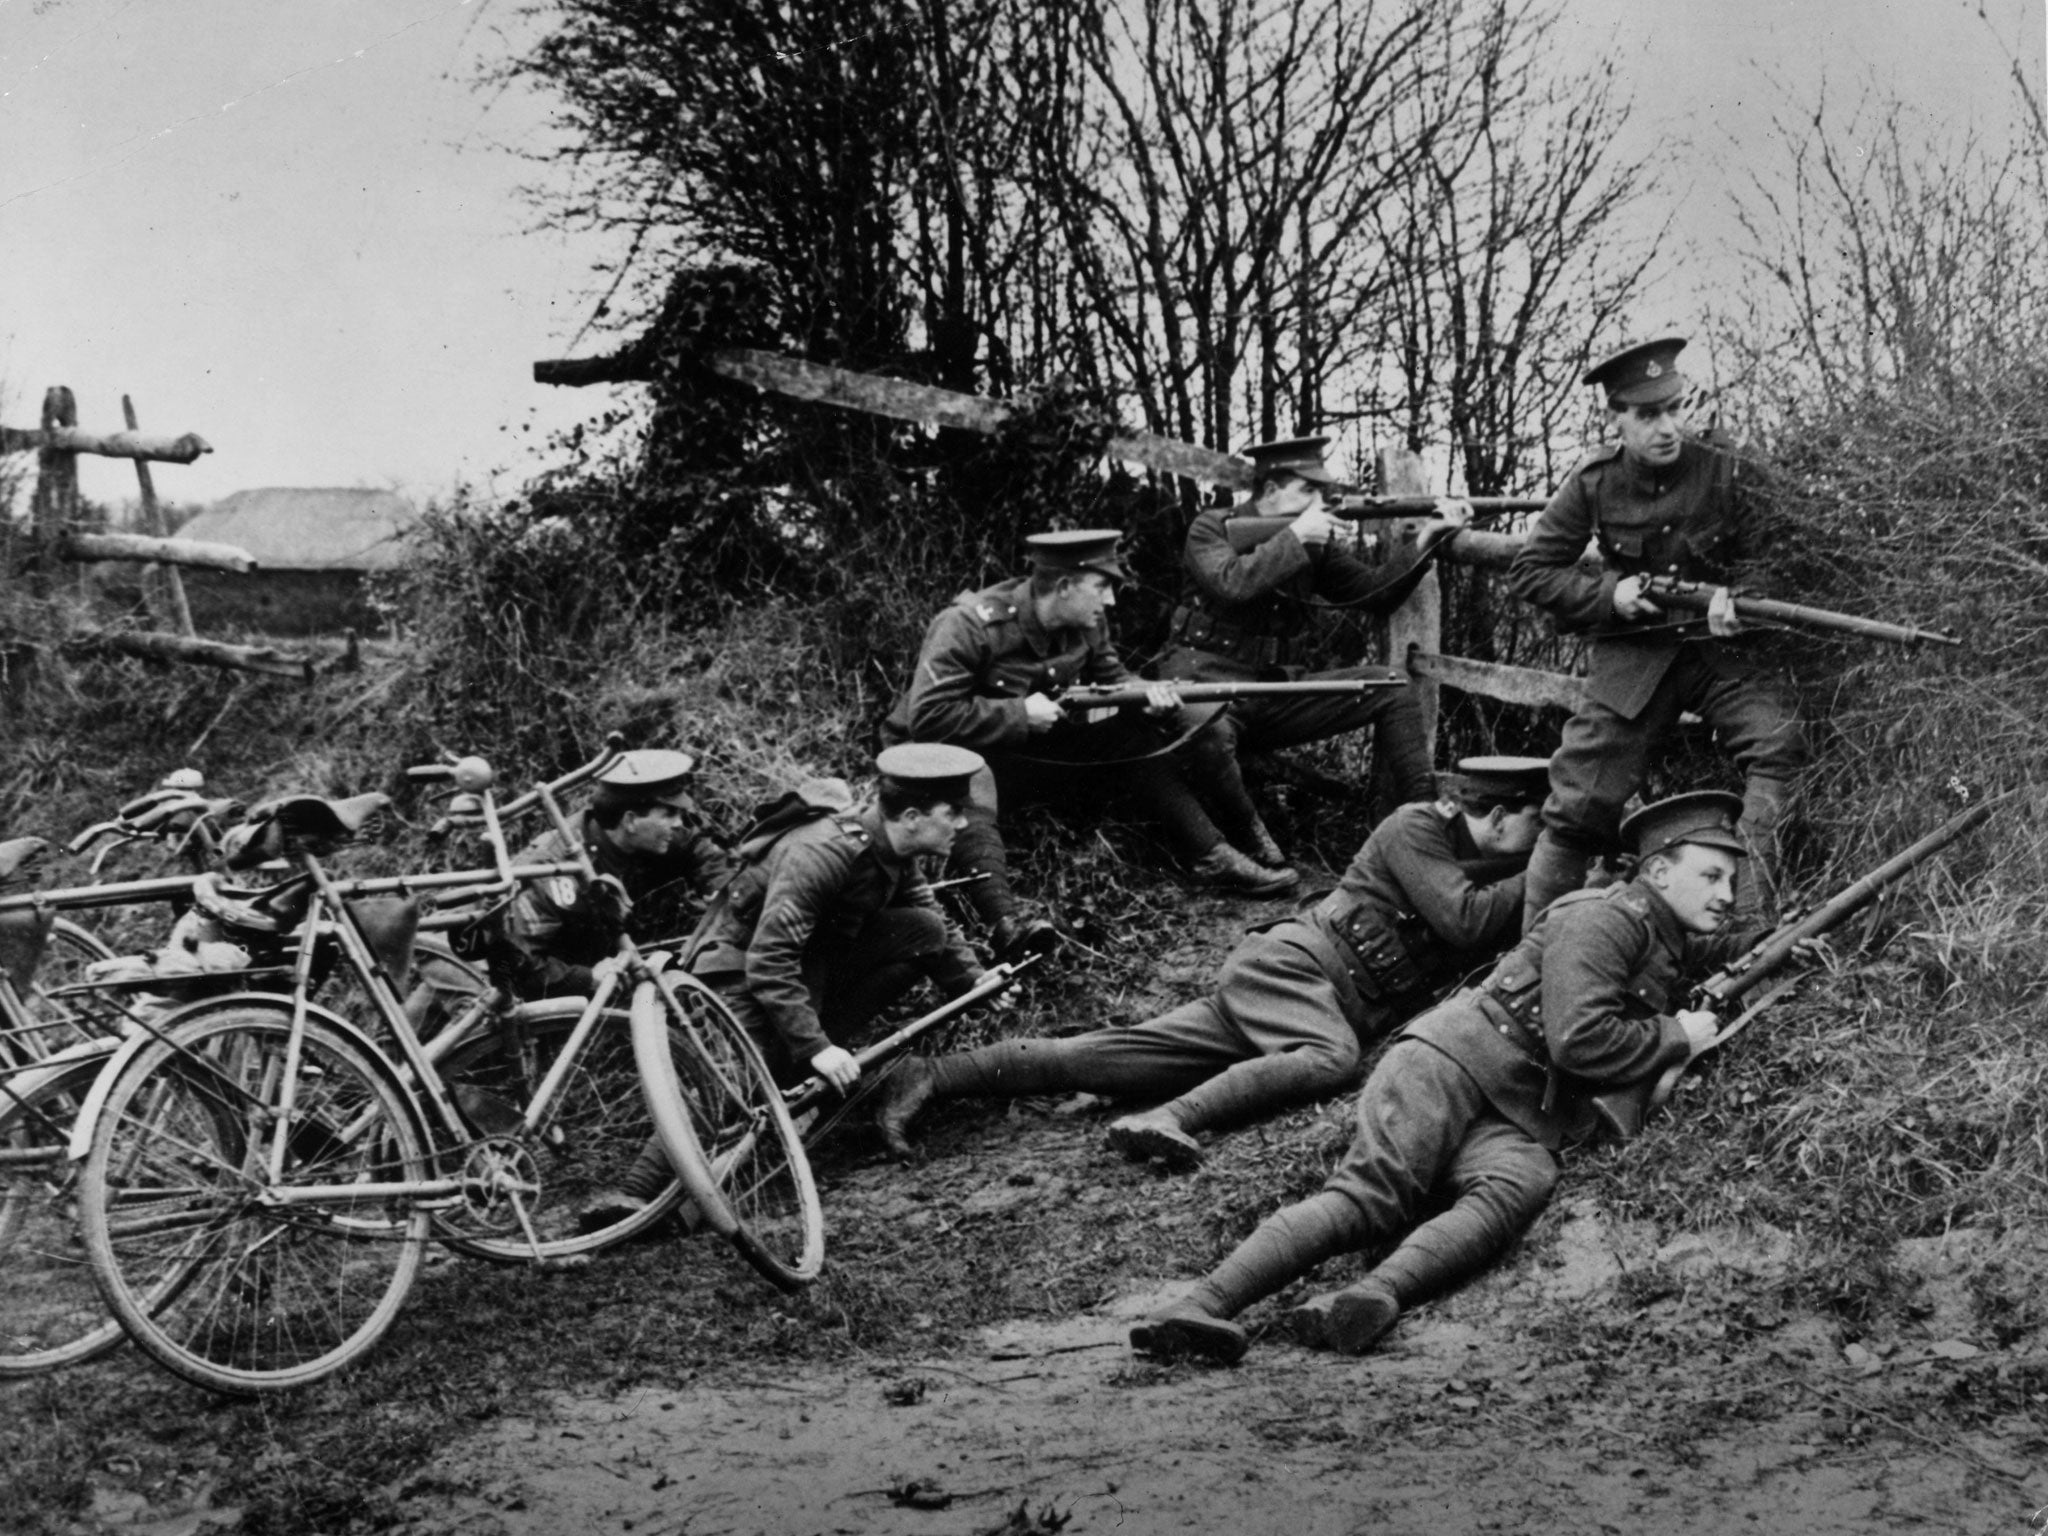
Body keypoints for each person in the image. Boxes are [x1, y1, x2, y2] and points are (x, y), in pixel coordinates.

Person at [1128, 790, 1765, 1367]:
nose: (1725, 895)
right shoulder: (1605, 917)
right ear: (1656, 871)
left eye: (1731, 881)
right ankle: (1199, 1306)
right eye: (1710, 876)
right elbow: (1579, 1040)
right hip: (1452, 1061)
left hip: (1517, 1102)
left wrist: (1803, 937)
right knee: (1371, 1198)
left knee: (1523, 1180)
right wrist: (1679, 1035)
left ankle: (1371, 1294)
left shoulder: (1657, 931)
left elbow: (1716, 955)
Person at [875, 757, 1551, 1167]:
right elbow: (1465, 919)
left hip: (1301, 999)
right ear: (1494, 818)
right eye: (1536, 831)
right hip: (1293, 972)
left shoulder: (1488, 863)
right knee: (1329, 1059)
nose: (1539, 847)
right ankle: (1172, 1117)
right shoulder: (1417, 826)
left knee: (1108, 1058)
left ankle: (930, 1074)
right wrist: (1557, 869)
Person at [584, 745, 994, 1226]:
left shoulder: (893, 850)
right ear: (910, 816)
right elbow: (768, 958)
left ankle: (790, 1067)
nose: (962, 825)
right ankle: (633, 1195)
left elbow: (929, 917)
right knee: (733, 1073)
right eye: (954, 814)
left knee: (923, 929)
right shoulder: (822, 852)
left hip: (805, 967)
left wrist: (975, 981)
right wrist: (816, 1046)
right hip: (737, 965)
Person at [881, 528, 1298, 960]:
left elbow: (1114, 682)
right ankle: (1006, 927)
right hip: (943, 757)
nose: (1111, 601)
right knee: (966, 777)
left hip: (1025, 756)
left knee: (1128, 737)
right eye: (1101, 587)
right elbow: (928, 718)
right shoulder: (969, 624)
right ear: (1064, 587)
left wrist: (1147, 697)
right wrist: (1020, 714)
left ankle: (1210, 854)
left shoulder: (1088, 623)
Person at [1509, 337, 1804, 930]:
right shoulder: (1594, 482)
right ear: (1616, 418)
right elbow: (1532, 570)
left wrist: (1741, 596)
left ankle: (1743, 934)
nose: (1668, 427)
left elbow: (1785, 553)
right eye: (1648, 415)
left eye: (1676, 408)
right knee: (1579, 802)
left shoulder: (1729, 464)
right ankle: (1532, 956)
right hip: (1638, 658)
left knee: (1782, 746)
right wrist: (1609, 596)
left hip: (1724, 654)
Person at [1156, 437, 1468, 863]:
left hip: (1274, 691)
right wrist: (1295, 538)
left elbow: (1371, 593)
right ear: (1270, 491)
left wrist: (1428, 538)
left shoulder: (1312, 542)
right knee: (1207, 729)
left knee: (1392, 686)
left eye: (1322, 492)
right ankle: (1250, 839)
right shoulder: (1210, 528)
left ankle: (1425, 824)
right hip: (1206, 686)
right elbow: (1230, 582)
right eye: (1308, 491)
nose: (1320, 502)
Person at [499, 748, 735, 1000]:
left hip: (614, 963)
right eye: (669, 814)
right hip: (550, 994)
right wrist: (587, 979)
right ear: (631, 821)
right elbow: (519, 964)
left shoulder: (651, 835)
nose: (678, 823)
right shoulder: (555, 870)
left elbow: (695, 846)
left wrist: (720, 885)